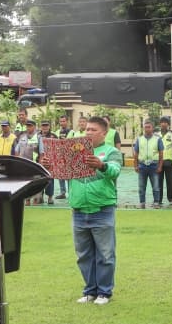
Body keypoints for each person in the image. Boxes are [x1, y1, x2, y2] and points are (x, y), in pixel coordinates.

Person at [69, 116, 123, 304]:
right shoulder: (74, 151)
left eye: (93, 130)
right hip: (78, 210)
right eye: (87, 129)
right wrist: (52, 165)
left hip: (102, 210)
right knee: (84, 255)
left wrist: (102, 165)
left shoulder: (111, 152)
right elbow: (63, 172)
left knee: (105, 254)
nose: (88, 132)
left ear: (104, 133)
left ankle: (104, 292)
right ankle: (90, 291)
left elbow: (115, 171)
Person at [133, 119, 164, 208]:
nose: (147, 129)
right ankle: (142, 203)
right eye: (145, 127)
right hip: (142, 166)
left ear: (152, 128)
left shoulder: (158, 139)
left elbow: (161, 154)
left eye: (149, 127)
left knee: (156, 186)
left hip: (154, 165)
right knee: (141, 186)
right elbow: (136, 153)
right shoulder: (139, 139)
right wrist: (135, 165)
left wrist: (160, 166)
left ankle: (156, 203)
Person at [158, 116, 172, 206]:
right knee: (158, 182)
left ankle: (171, 199)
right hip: (158, 162)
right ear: (160, 124)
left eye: (166, 122)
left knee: (170, 182)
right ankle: (158, 199)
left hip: (169, 162)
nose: (164, 124)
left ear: (168, 124)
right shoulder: (156, 135)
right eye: (162, 122)